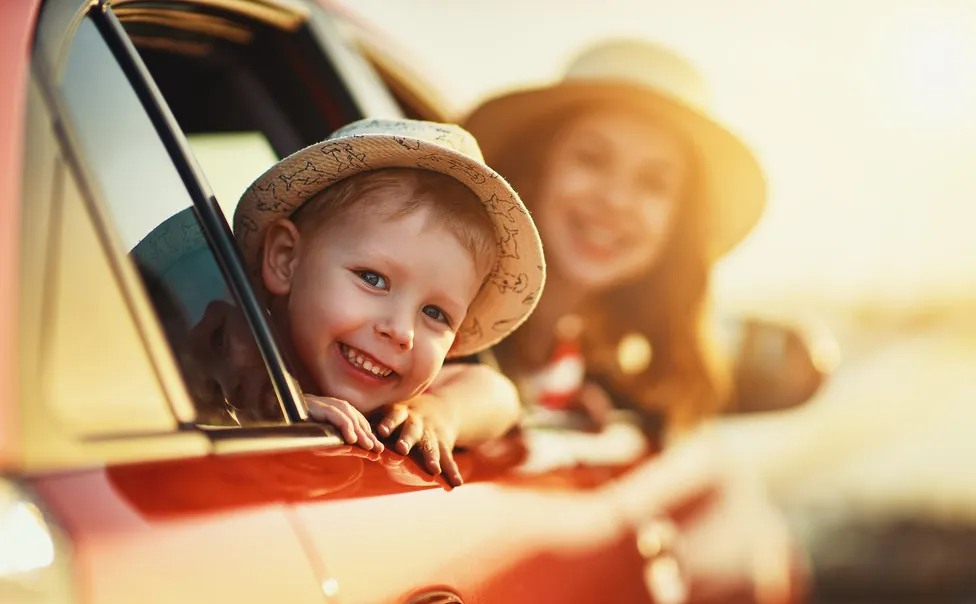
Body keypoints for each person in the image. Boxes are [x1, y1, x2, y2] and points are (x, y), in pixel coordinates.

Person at [462, 39, 767, 450]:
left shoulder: (584, 371)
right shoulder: (436, 321)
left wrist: (561, 404)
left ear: (678, 225)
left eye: (653, 183)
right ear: (536, 169)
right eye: (591, 159)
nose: (616, 200)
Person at [232, 118, 545, 485]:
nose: (401, 331)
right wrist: (271, 401)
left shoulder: (396, 406)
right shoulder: (231, 338)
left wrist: (439, 411)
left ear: (453, 344)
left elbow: (499, 396)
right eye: (373, 279)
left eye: (435, 313)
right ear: (286, 259)